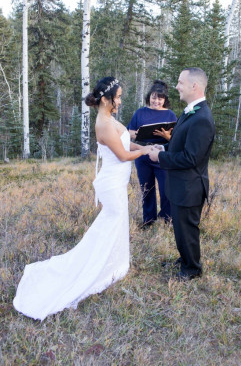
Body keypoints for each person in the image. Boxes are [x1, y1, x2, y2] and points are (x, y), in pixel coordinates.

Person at [13, 77, 152, 320]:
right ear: (107, 99)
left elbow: (126, 142)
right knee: (112, 223)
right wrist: (145, 151)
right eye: (117, 97)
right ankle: (97, 268)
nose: (120, 100)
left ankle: (114, 264)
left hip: (115, 182)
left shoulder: (108, 117)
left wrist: (144, 145)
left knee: (113, 225)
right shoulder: (105, 124)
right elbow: (122, 155)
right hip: (111, 182)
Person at [149, 68, 215, 280]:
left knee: (187, 230)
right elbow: (179, 146)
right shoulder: (190, 112)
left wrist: (160, 158)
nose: (176, 86)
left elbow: (191, 158)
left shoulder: (202, 118)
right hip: (180, 186)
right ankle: (185, 259)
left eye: (180, 82)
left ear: (194, 86)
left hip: (190, 187)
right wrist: (164, 150)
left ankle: (192, 269)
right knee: (180, 227)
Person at [128, 80, 177, 227]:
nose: (156, 101)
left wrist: (165, 136)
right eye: (154, 97)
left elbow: (174, 138)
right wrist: (137, 134)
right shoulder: (140, 112)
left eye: (160, 98)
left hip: (162, 154)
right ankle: (148, 220)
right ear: (149, 97)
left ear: (165, 100)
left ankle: (167, 219)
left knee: (165, 188)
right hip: (142, 153)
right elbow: (129, 132)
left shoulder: (170, 115)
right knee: (146, 188)